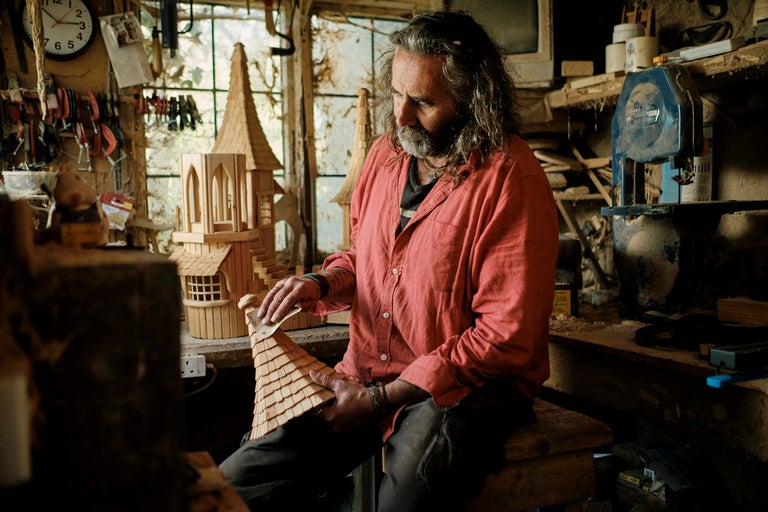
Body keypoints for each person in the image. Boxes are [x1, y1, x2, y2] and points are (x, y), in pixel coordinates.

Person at [219, 10, 559, 512]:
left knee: (407, 496)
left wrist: (380, 401)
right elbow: (368, 259)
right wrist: (318, 282)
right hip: (367, 372)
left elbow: (504, 337)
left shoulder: (511, 177)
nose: (400, 116)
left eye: (421, 101)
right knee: (234, 482)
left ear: (471, 99)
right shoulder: (386, 156)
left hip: (466, 387)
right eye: (397, 94)